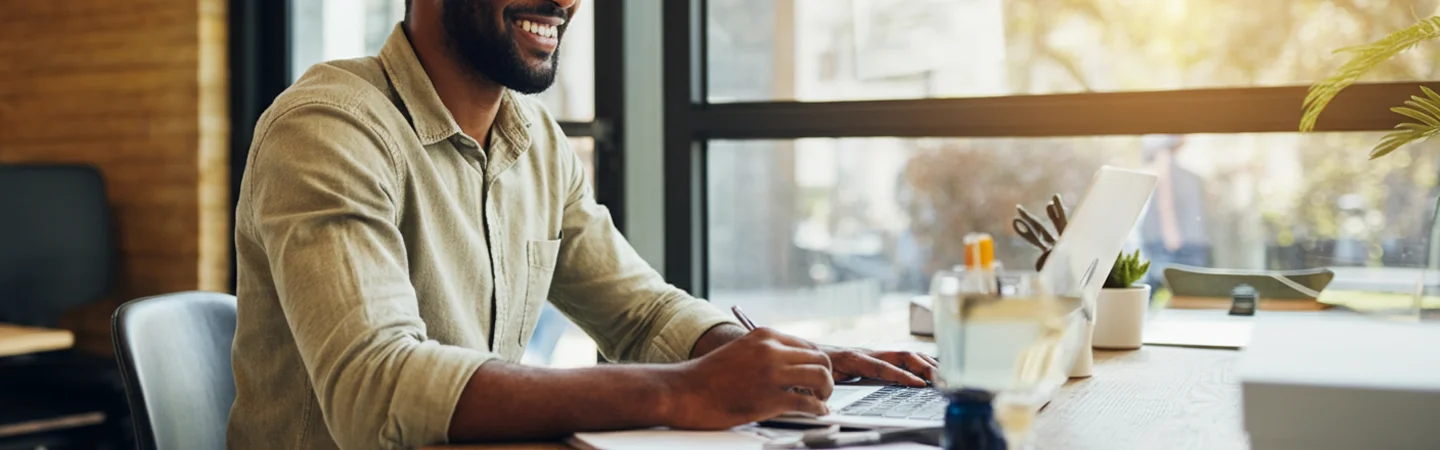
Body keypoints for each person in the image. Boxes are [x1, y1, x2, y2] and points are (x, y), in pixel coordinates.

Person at [226, 1, 938, 449]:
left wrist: (779, 362)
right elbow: (375, 389)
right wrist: (681, 390)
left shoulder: (533, 138)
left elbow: (640, 312)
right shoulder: (328, 127)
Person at [1138, 134, 1212, 290]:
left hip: (1187, 239)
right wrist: (1170, 232)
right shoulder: (1163, 159)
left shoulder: (1175, 164)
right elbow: (1165, 197)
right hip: (1174, 242)